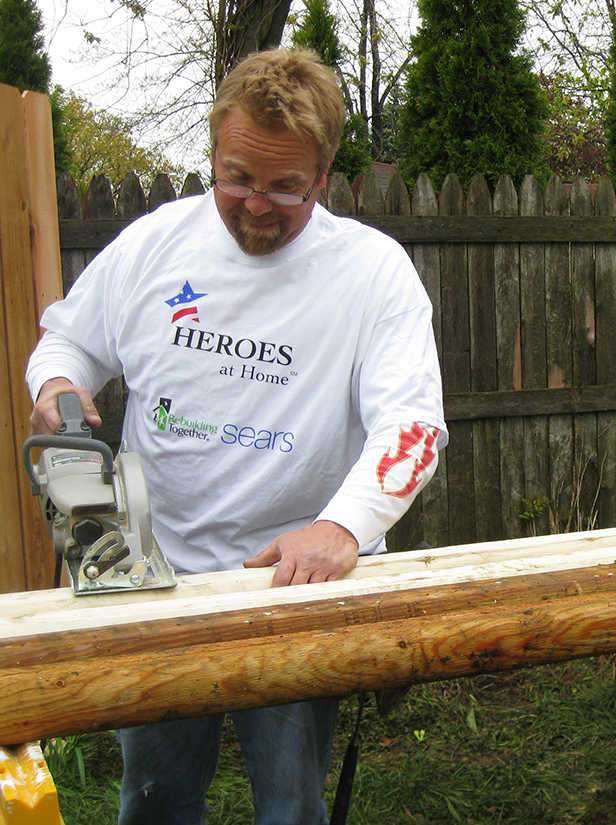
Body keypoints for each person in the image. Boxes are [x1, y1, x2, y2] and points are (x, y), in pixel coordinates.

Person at [26, 48, 446, 825]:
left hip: (291, 587)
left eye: (285, 186)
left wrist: (340, 528)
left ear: (323, 174)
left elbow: (414, 426)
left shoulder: (371, 273)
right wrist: (57, 385)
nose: (256, 204)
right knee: (154, 803)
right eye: (236, 177)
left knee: (290, 807)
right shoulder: (156, 244)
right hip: (153, 580)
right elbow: (68, 340)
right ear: (214, 151)